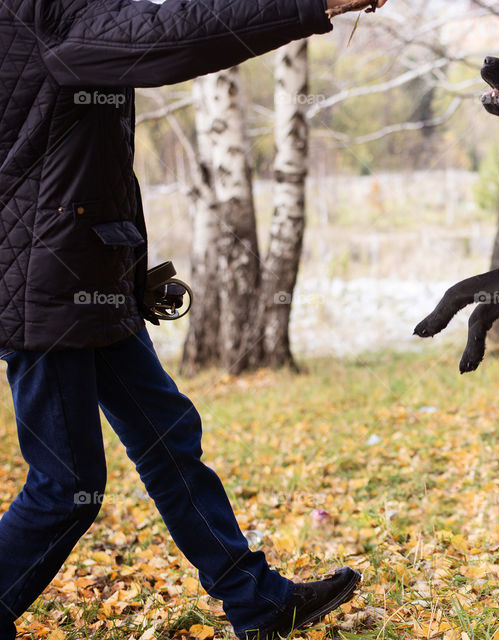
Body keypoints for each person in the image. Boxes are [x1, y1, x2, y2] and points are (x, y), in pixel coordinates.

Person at [0, 0, 386, 638]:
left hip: (87, 275)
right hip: (47, 289)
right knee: (65, 485)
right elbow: (169, 33)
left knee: (167, 437)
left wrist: (128, 271)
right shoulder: (47, 9)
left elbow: (78, 161)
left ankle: (256, 600)